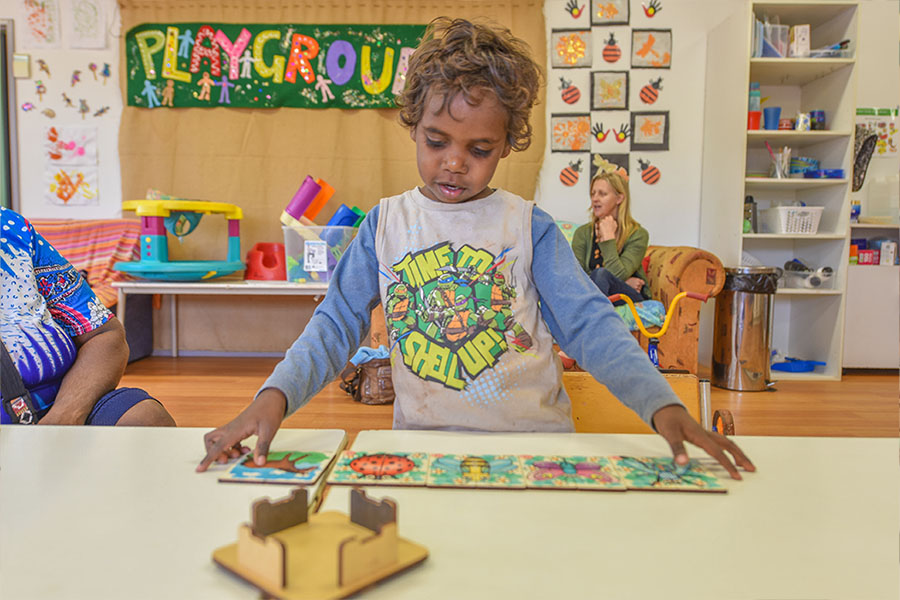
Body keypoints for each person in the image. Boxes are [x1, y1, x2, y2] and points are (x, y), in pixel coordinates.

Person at [197, 18, 754, 479]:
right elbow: (335, 324)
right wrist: (272, 399)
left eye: (480, 148)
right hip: (421, 456)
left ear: (509, 142)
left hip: (538, 454)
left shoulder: (527, 225)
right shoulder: (384, 224)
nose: (455, 162)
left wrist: (663, 405)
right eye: (437, 141)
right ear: (413, 125)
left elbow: (590, 325)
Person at [0, 207, 175, 426]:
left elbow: (104, 334)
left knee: (147, 419)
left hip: (58, 405)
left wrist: (65, 416)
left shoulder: (11, 229)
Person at [571, 171, 650, 304]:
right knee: (598, 276)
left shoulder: (638, 234)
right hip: (595, 293)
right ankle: (595, 319)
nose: (595, 198)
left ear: (619, 199)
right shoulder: (582, 233)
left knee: (601, 274)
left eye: (602, 194)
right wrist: (626, 281)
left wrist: (608, 239)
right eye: (593, 193)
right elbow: (577, 276)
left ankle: (591, 319)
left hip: (627, 295)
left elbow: (618, 275)